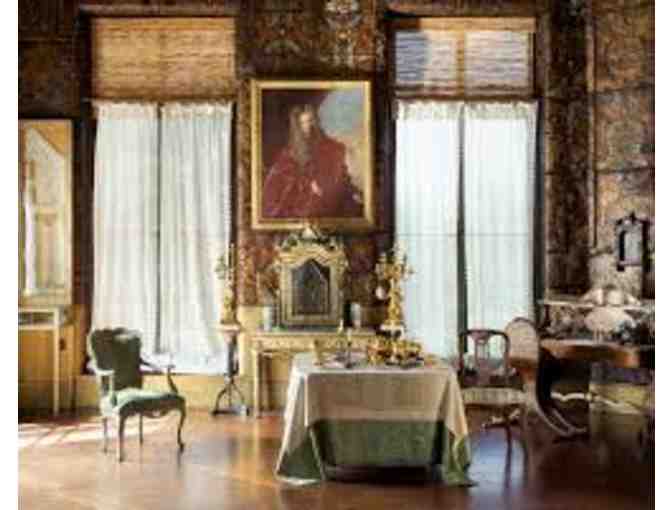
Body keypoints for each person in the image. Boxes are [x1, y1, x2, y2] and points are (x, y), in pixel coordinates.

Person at [262, 104, 363, 218]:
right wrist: (308, 185)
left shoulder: (328, 147)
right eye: (303, 123)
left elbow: (340, 173)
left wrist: (348, 189)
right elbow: (284, 177)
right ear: (297, 126)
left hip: (327, 194)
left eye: (310, 121)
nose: (308, 126)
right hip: (304, 200)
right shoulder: (290, 153)